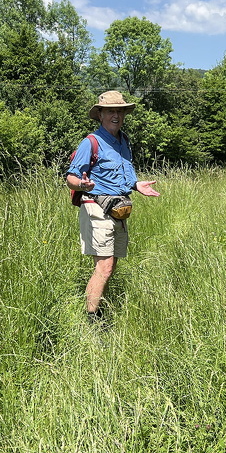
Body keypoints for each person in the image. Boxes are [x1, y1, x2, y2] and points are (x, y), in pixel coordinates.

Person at [65, 90, 160, 322]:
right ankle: (92, 322)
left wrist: (137, 185)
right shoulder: (91, 142)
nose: (116, 115)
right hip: (96, 206)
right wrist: (83, 185)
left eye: (120, 110)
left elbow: (125, 175)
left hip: (118, 208)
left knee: (111, 266)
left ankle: (99, 312)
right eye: (110, 111)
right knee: (104, 267)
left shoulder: (123, 141)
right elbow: (70, 178)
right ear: (100, 114)